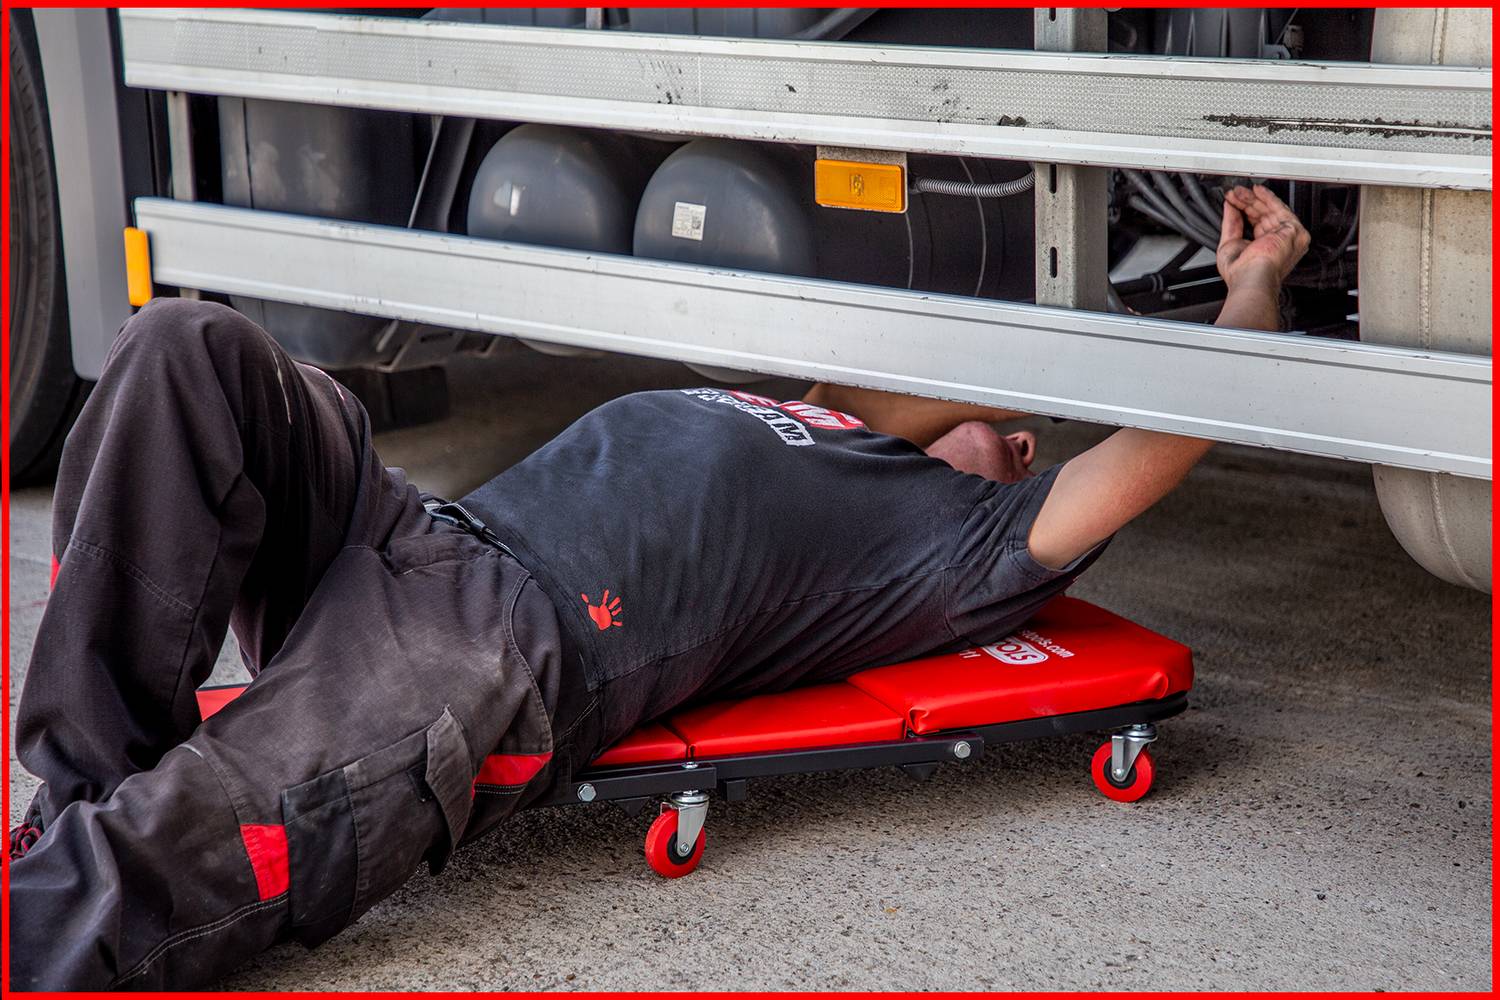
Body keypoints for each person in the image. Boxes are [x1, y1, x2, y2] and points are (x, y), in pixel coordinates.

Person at [8, 185, 1309, 988]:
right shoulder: (836, 418)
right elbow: (997, 375)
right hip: (402, 527)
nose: (1021, 441)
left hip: (496, 649)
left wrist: (1250, 289)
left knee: (176, 847)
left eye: (1029, 454)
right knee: (184, 345)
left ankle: (44, 912)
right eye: (1010, 427)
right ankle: (76, 781)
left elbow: (1157, 431)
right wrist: (995, 391)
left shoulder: (960, 555)